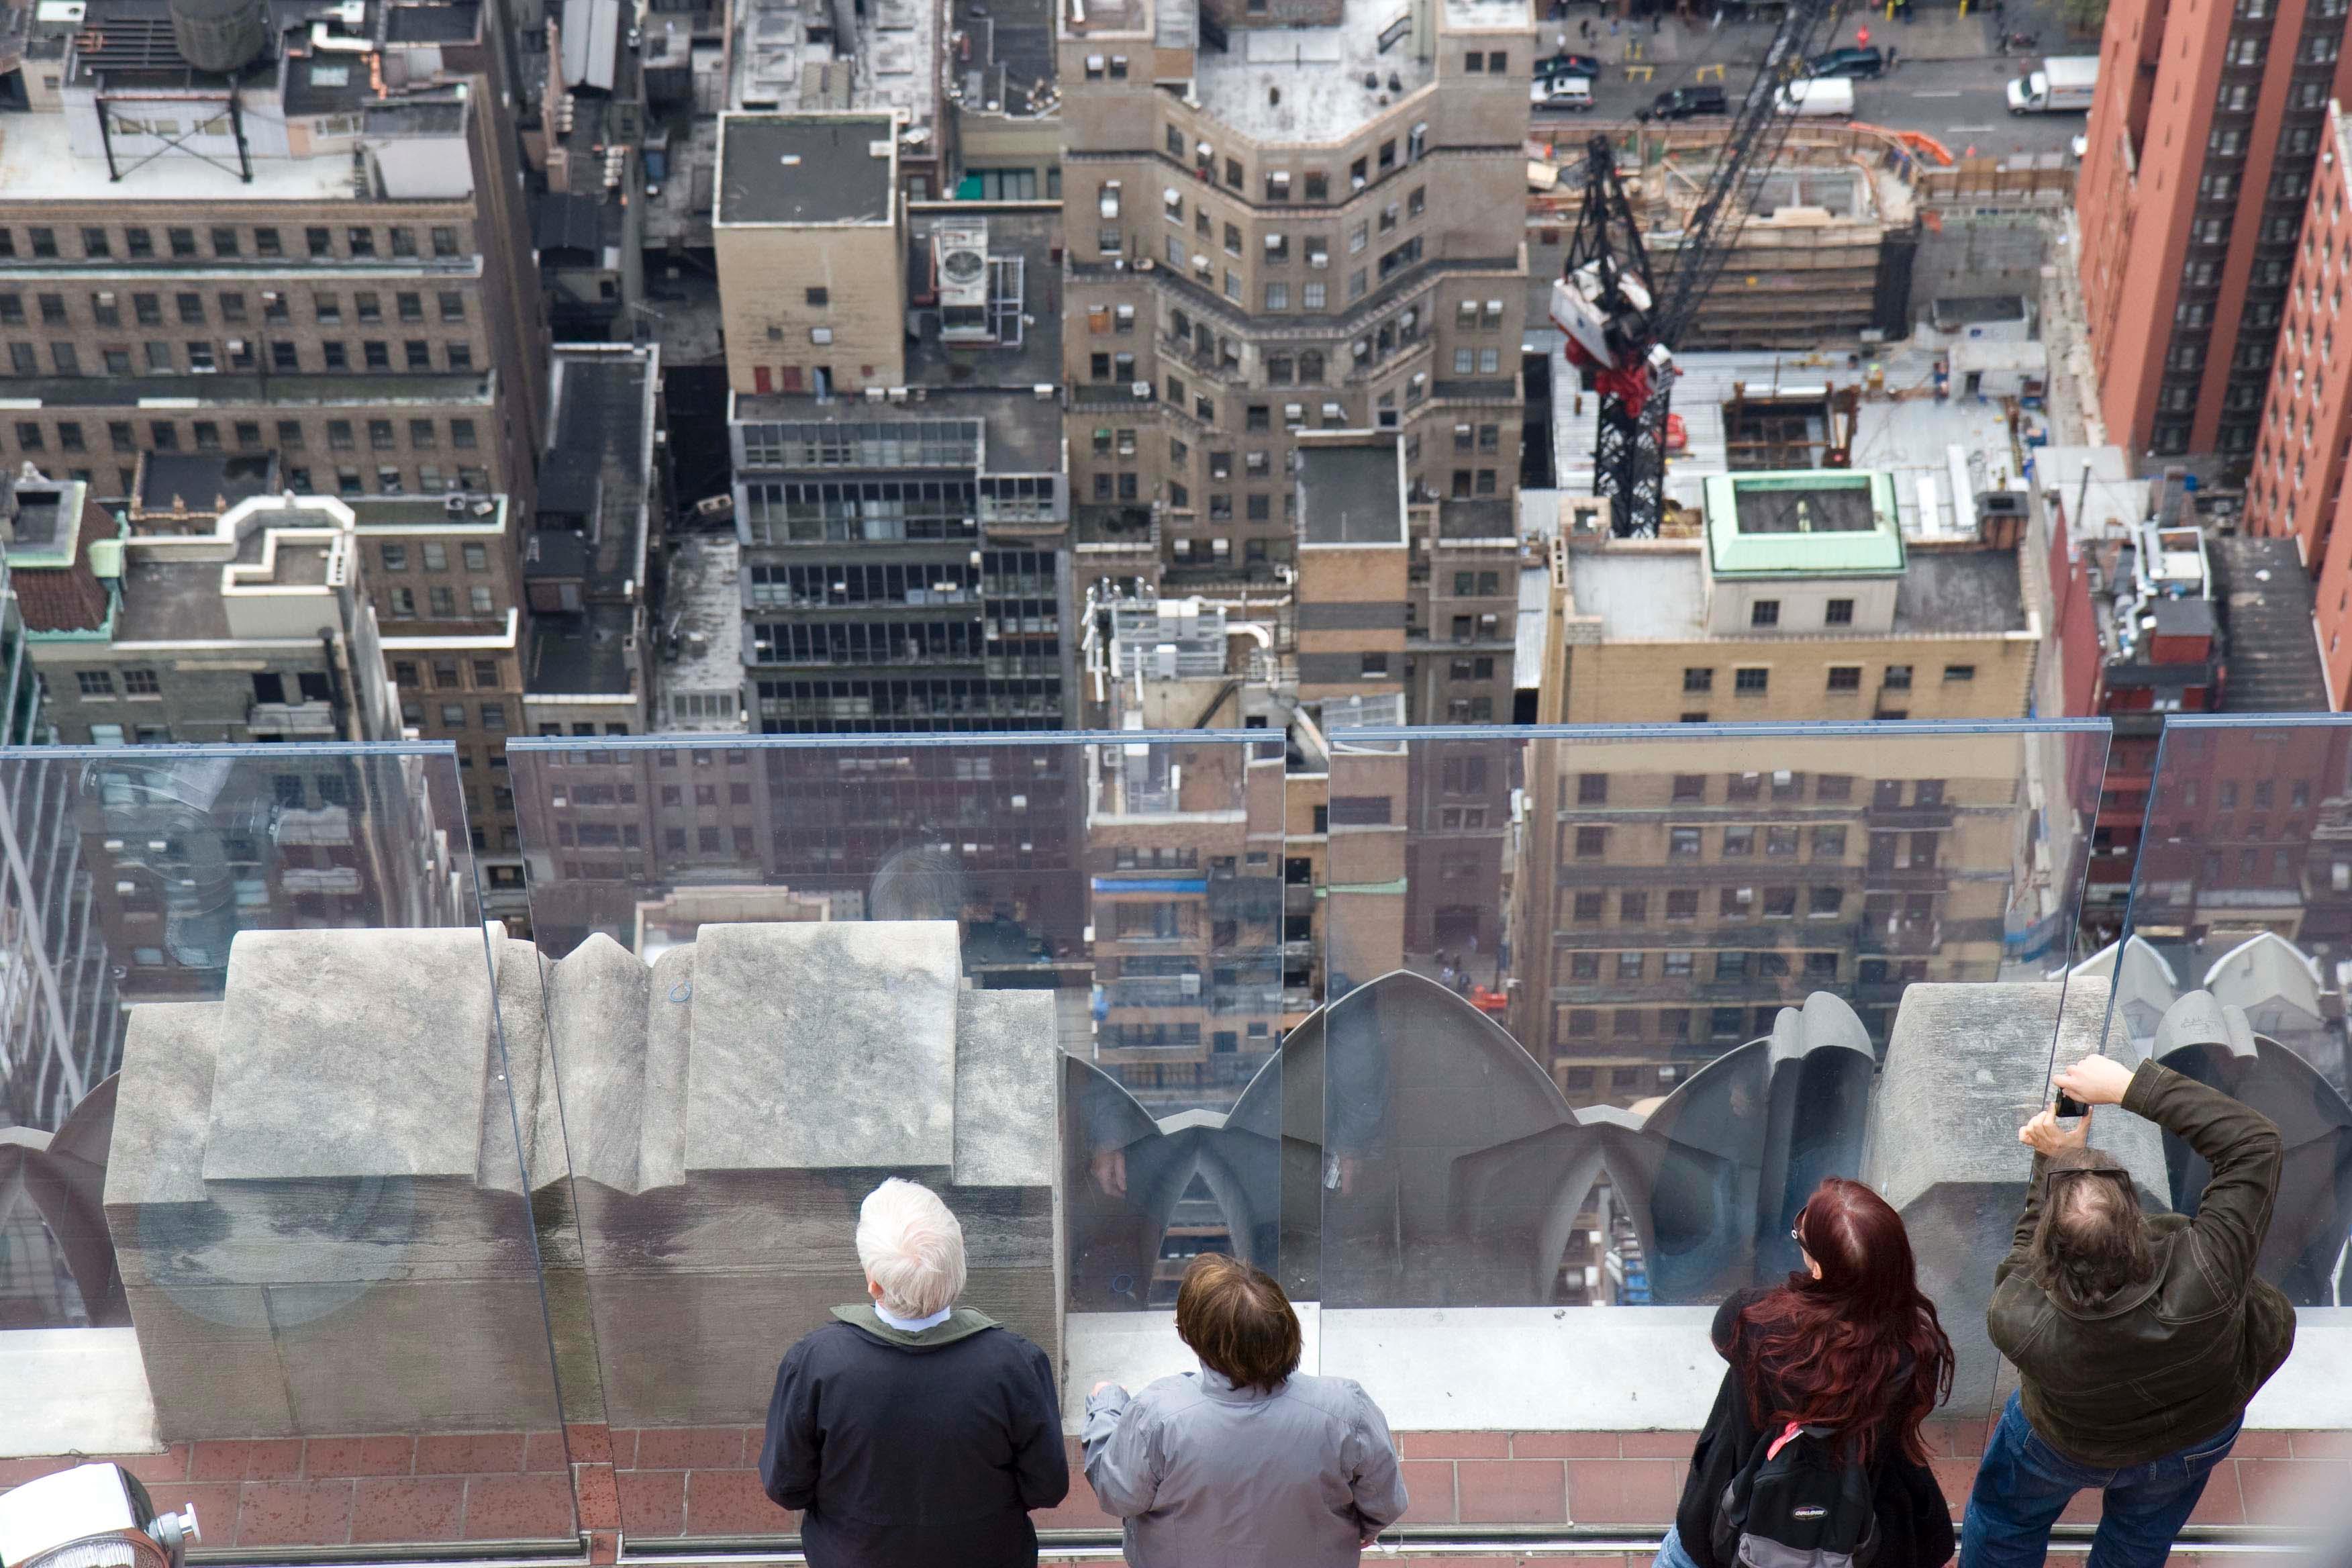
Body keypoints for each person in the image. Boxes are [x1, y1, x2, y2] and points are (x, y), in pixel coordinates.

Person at [1961, 1053, 2294, 1568]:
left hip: (2067, 1442)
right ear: (2137, 1221)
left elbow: (2026, 1258)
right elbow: (2254, 1142)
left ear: (2051, 1248)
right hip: (2194, 1430)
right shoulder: (2210, 1268)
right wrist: (2131, 1088)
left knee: (2007, 1523)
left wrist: (2053, 1163)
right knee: (2138, 1541)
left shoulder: (2015, 1317)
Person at [758, 1179, 1068, 1568]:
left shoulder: (815, 1363)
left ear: (874, 1284)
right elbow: (1047, 1486)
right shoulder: (1015, 1364)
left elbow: (787, 1486)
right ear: (958, 1273)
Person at [1660, 1177, 1957, 1568]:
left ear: (1820, 1268)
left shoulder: (1752, 1319)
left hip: (1729, 1523)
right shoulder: (1915, 1349)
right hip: (1857, 1531)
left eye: (1802, 1233)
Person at [1084, 1253, 1407, 1566]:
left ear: (1195, 1337)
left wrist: (1107, 1406)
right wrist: (1362, 1529)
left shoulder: (1157, 1415)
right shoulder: (1346, 1410)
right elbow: (1384, 1501)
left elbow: (1119, 1495)